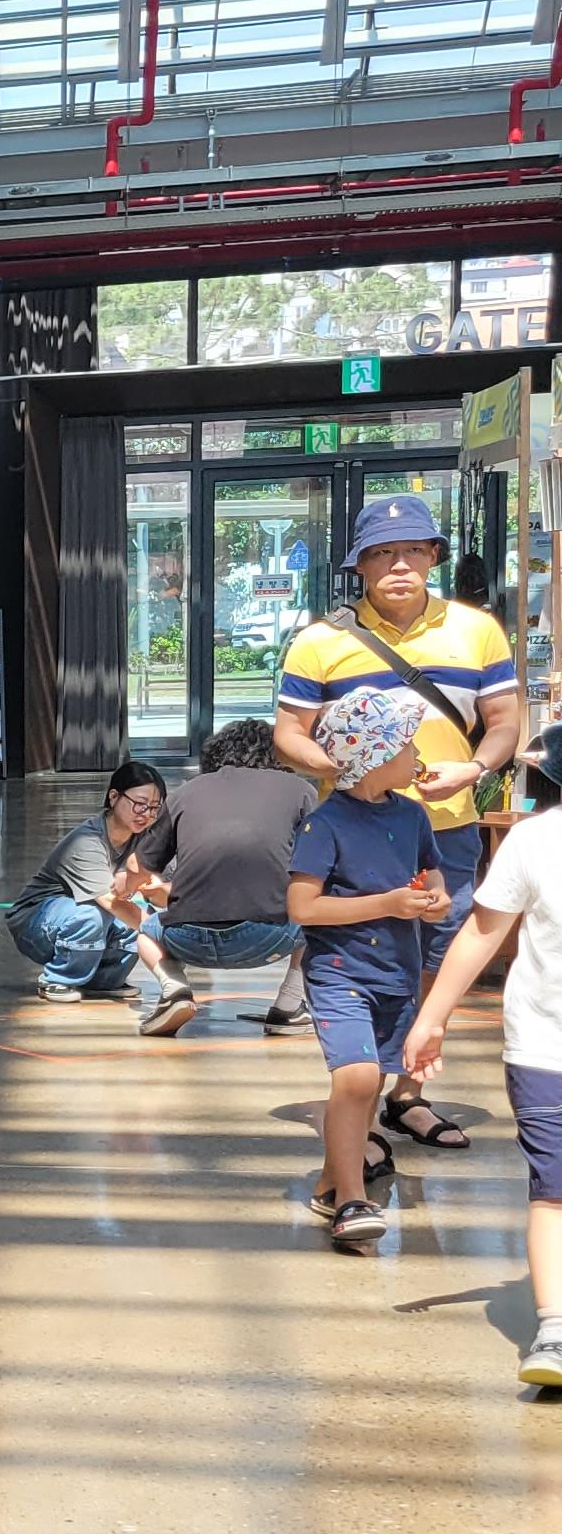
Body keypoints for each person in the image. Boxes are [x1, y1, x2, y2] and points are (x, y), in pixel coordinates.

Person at [277, 491, 517, 1149]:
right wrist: (341, 766)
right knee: (358, 959)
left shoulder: (477, 631)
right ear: (360, 566)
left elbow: (503, 722)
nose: (400, 565)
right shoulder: (320, 641)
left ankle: (407, 1092)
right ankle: (360, 1103)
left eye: (413, 549)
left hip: (445, 826)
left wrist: (475, 768)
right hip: (354, 829)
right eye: (382, 553)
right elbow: (288, 735)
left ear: (435, 556)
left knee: (438, 954)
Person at [405, 780, 562, 1383]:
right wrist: (432, 1017)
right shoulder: (534, 840)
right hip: (545, 1047)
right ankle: (554, 1329)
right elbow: (481, 930)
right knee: (553, 1188)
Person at [288, 688, 450, 1254]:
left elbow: (430, 871)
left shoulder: (411, 815)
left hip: (396, 973)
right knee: (356, 1079)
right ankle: (353, 1200)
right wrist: (387, 904)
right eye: (407, 746)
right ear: (374, 756)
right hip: (340, 973)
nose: (417, 756)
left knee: (370, 1082)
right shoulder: (325, 824)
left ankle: (329, 1185)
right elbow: (302, 907)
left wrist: (435, 898)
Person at [117, 716, 318, 1036]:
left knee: (147, 932)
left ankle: (174, 989)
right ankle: (289, 1006)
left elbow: (137, 868)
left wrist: (123, 888)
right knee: (319, 910)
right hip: (270, 937)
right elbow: (322, 863)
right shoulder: (300, 791)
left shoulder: (185, 793)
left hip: (187, 938)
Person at [3, 762, 166, 1007]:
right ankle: (57, 978)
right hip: (37, 924)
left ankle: (103, 981)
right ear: (114, 797)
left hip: (89, 916)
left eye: (155, 807)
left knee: (144, 912)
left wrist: (158, 893)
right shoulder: (86, 841)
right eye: (140, 804)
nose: (146, 814)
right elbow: (112, 903)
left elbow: (162, 896)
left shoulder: (148, 840)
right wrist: (166, 938)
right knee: (99, 914)